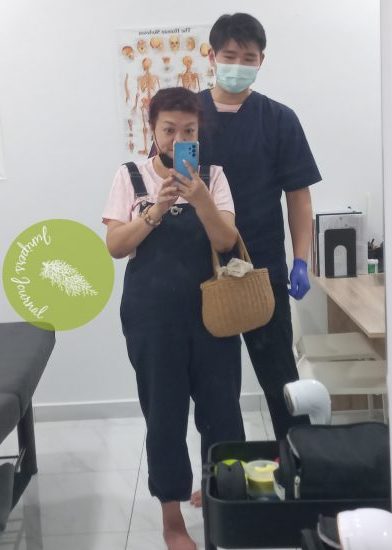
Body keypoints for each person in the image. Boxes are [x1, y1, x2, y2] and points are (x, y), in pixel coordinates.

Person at [102, 87, 245, 550]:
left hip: (213, 315)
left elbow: (225, 241)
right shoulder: (130, 176)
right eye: (170, 130)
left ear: (199, 133)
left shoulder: (214, 176)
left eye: (189, 131)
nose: (179, 138)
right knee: (164, 416)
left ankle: (224, 498)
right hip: (151, 318)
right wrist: (157, 209)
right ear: (152, 130)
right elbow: (116, 246)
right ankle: (172, 518)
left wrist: (200, 198)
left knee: (222, 411)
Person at [199, 13, 322, 441]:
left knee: (279, 375)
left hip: (262, 266)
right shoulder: (189, 116)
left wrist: (301, 260)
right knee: (214, 383)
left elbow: (299, 196)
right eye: (229, 55)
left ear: (261, 61)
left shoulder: (279, 119)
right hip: (200, 266)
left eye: (248, 58)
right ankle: (222, 468)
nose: (238, 65)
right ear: (211, 56)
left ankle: (299, 462)